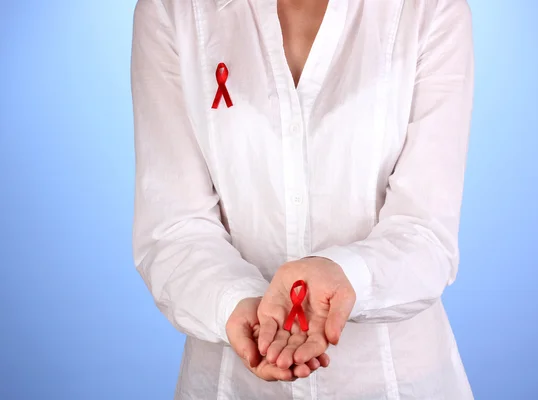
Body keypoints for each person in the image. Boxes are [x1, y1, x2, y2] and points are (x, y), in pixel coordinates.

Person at [131, 0, 475, 398]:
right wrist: (236, 301)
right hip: (232, 383)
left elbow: (426, 231)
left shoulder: (431, 10)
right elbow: (174, 226)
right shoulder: (173, 11)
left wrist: (344, 273)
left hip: (394, 381)